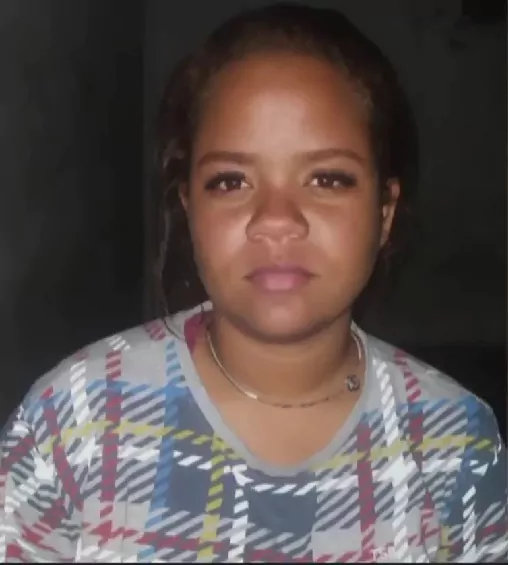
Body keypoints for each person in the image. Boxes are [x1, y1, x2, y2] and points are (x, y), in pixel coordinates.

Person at [0, 3, 506, 562]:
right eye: (231, 181)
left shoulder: (456, 443)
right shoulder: (75, 421)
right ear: (189, 207)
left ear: (384, 213)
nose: (276, 219)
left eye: (327, 178)